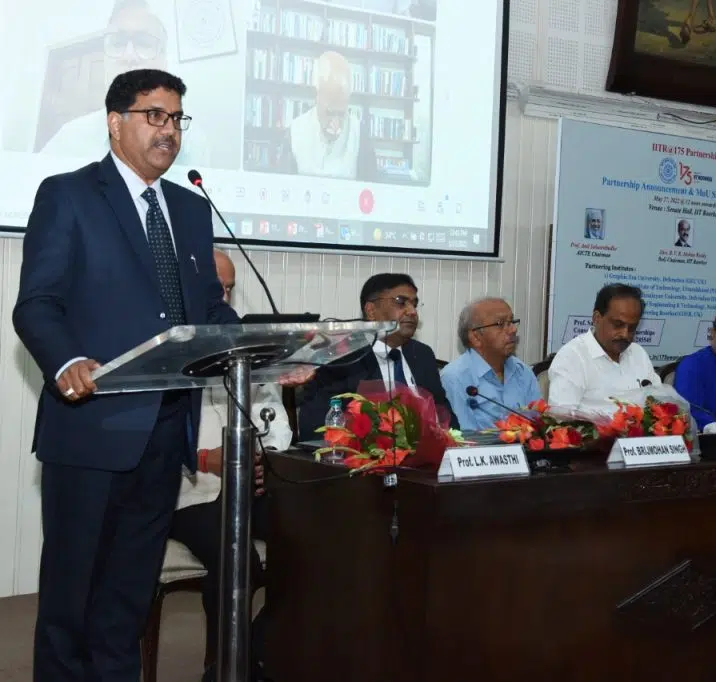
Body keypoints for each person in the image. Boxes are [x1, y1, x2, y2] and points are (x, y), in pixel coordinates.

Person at [13, 68, 309, 682]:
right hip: (91, 424)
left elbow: (206, 310)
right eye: (154, 115)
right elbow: (36, 302)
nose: (168, 130)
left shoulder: (190, 207)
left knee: (126, 599)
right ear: (115, 121)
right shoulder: (68, 194)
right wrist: (66, 361)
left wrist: (265, 345)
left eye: (177, 118)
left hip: (165, 428)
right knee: (73, 598)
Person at [168, 250, 293, 682]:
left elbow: (275, 418)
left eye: (228, 287)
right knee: (237, 557)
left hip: (250, 487)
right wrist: (204, 458)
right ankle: (222, 667)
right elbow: (150, 439)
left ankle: (260, 649)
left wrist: (262, 455)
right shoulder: (168, 342)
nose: (223, 294)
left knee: (313, 542)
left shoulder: (243, 339)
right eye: (215, 286)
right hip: (187, 495)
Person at [39, 0, 210, 167]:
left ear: (163, 61)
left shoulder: (193, 145)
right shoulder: (68, 140)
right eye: (117, 43)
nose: (128, 56)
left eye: (144, 43)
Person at [297, 273, 458, 439]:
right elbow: (315, 428)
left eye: (414, 304)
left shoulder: (423, 355)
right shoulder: (342, 358)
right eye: (401, 302)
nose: (412, 312)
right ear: (371, 310)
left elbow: (447, 418)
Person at [548, 284, 661, 415]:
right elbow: (561, 419)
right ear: (596, 318)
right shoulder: (572, 357)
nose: (625, 334)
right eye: (618, 325)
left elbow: (658, 404)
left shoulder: (638, 353)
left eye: (632, 328)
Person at [441, 298, 541, 430]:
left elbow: (539, 426)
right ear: (476, 337)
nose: (512, 330)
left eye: (511, 322)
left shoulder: (523, 372)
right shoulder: (455, 378)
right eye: (500, 324)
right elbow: (464, 441)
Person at [286, 51, 362, 178]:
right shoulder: (295, 133)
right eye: (330, 113)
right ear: (316, 97)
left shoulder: (360, 136)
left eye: (341, 114)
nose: (335, 124)